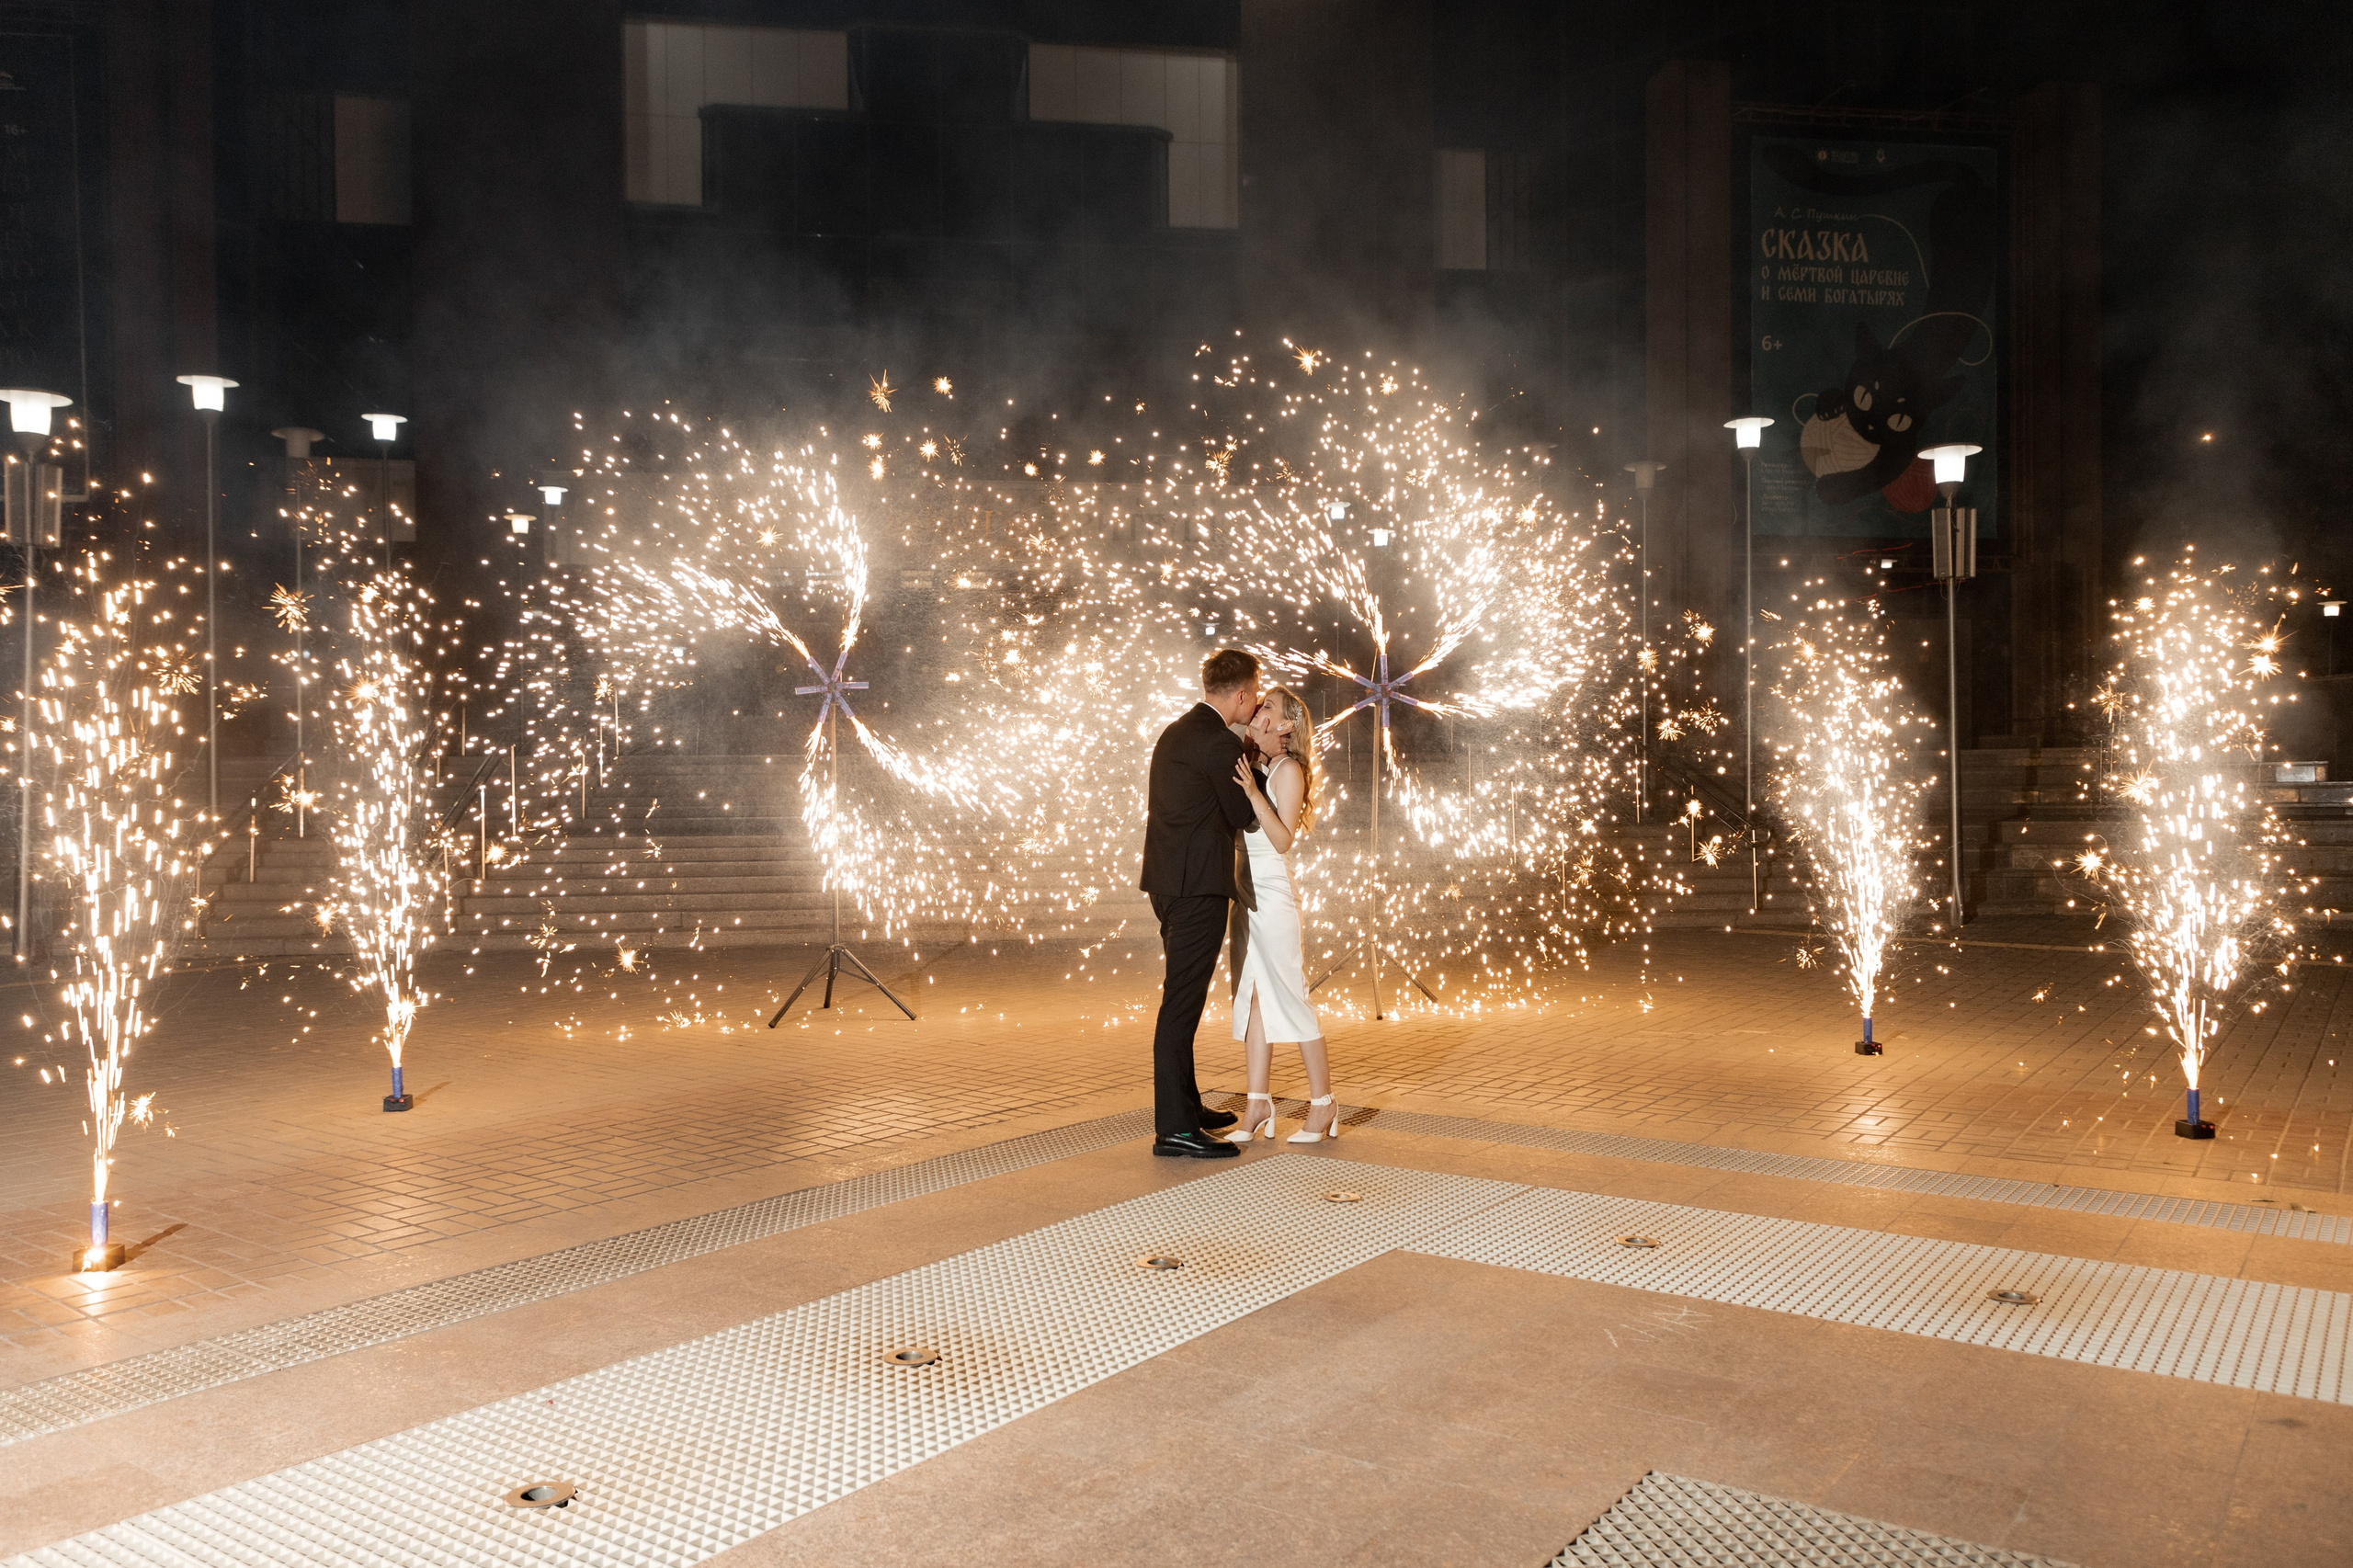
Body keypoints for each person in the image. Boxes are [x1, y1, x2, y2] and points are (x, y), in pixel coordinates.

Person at [1140, 649, 1261, 1158]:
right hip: (1198, 889)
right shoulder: (1216, 743)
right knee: (1181, 1006)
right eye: (1254, 694)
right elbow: (1242, 814)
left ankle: (1187, 1107)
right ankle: (1175, 1129)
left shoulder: (1176, 731)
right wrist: (1253, 760)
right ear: (1239, 695)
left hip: (1169, 884)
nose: (1255, 703)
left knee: (1181, 1000)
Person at [1222, 686, 1340, 1143]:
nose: (1258, 710)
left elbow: (1282, 839)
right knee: (1253, 999)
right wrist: (1254, 758)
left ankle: (1323, 1104)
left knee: (1291, 996)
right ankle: (1257, 1103)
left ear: (1289, 724)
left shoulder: (1288, 771)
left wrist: (1254, 792)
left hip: (1272, 896)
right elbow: (1234, 725)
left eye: (1268, 706)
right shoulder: (1261, 763)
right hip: (1248, 893)